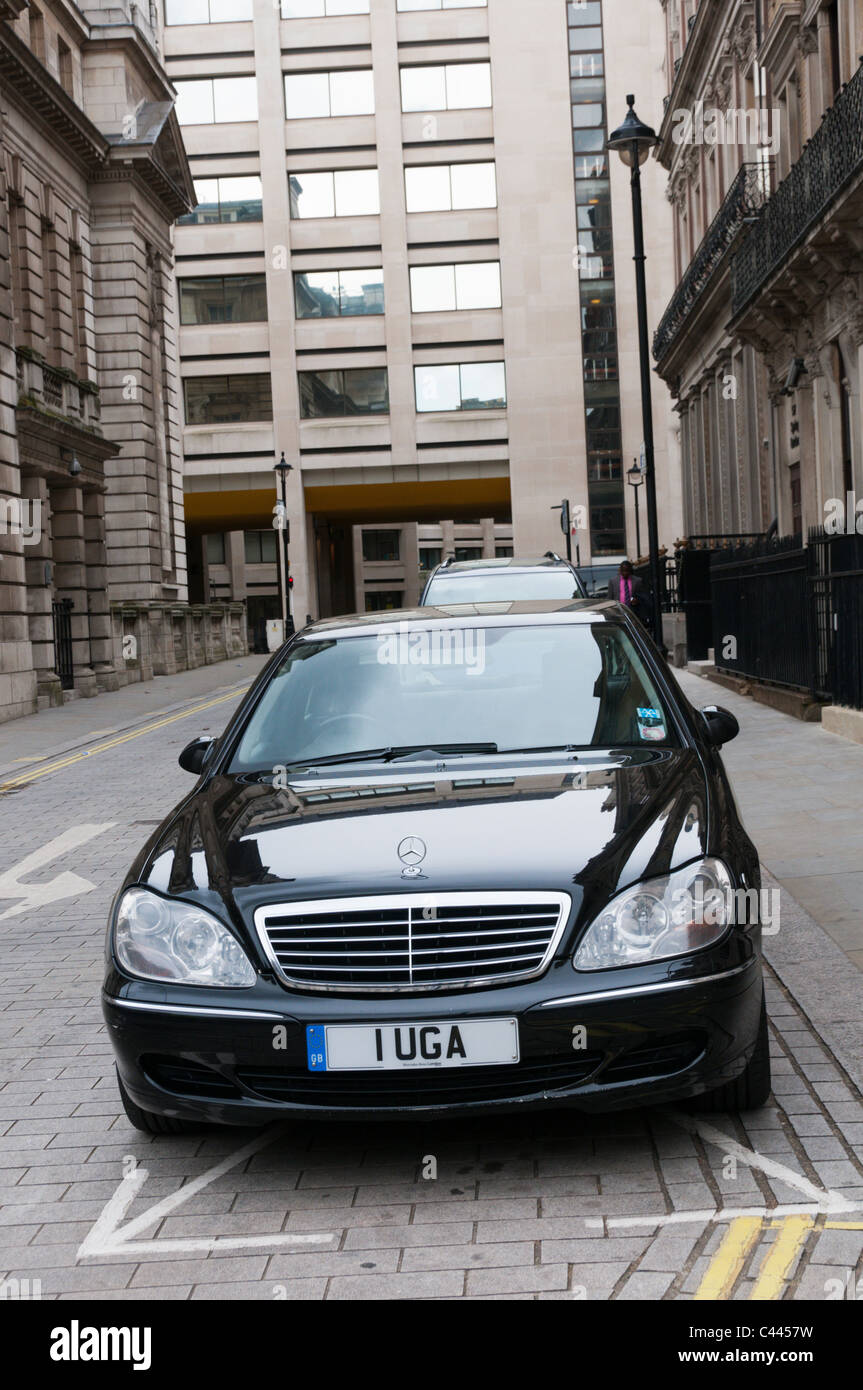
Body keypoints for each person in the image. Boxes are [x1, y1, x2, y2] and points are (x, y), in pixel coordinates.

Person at [607, 561, 652, 629]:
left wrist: (637, 600)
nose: (625, 573)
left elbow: (642, 596)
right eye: (623, 571)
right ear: (620, 571)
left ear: (630, 571)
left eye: (627, 571)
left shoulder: (637, 581)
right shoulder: (613, 581)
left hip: (633, 612)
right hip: (619, 612)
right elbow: (610, 598)